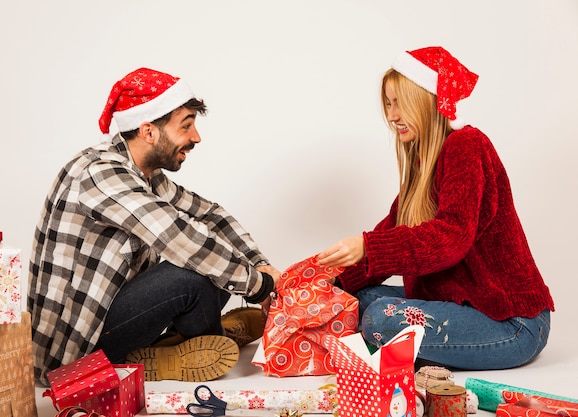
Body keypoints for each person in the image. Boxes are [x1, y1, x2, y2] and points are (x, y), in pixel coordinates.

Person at [28, 68, 280, 386]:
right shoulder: (101, 173)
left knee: (213, 256)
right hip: (77, 353)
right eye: (186, 126)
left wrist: (261, 266)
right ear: (149, 131)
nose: (196, 137)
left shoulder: (145, 175)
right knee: (193, 270)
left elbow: (211, 217)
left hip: (112, 320)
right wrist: (260, 287)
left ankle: (184, 344)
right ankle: (205, 339)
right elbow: (180, 238)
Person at [317, 46, 554, 370]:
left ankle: (369, 353)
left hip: (512, 323)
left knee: (377, 318)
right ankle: (374, 349)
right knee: (356, 298)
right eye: (388, 104)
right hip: (463, 302)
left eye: (399, 102)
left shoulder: (466, 146)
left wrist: (367, 247)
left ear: (425, 100)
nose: (391, 116)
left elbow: (451, 235)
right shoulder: (425, 163)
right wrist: (330, 283)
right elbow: (396, 230)